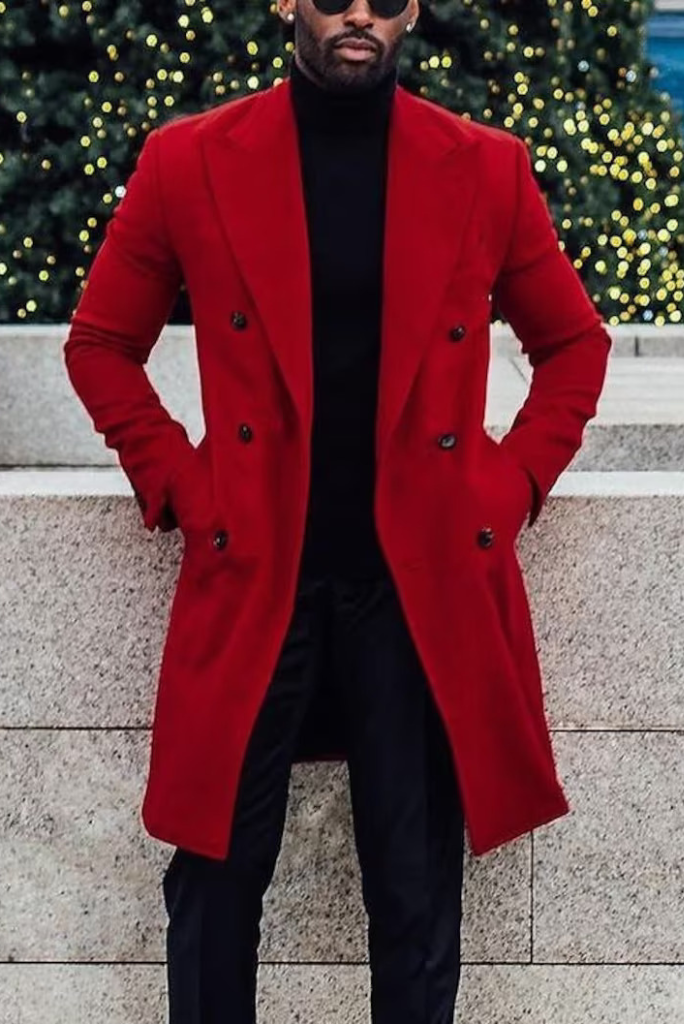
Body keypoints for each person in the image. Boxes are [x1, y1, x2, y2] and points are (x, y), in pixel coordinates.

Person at [63, 0, 612, 1021]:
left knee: (414, 895)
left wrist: (509, 485)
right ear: (287, 4)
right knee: (214, 884)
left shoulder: (486, 167)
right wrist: (182, 483)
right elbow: (99, 344)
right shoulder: (190, 160)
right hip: (256, 571)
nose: (360, 12)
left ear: (413, 12)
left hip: (417, 589)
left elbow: (575, 345)